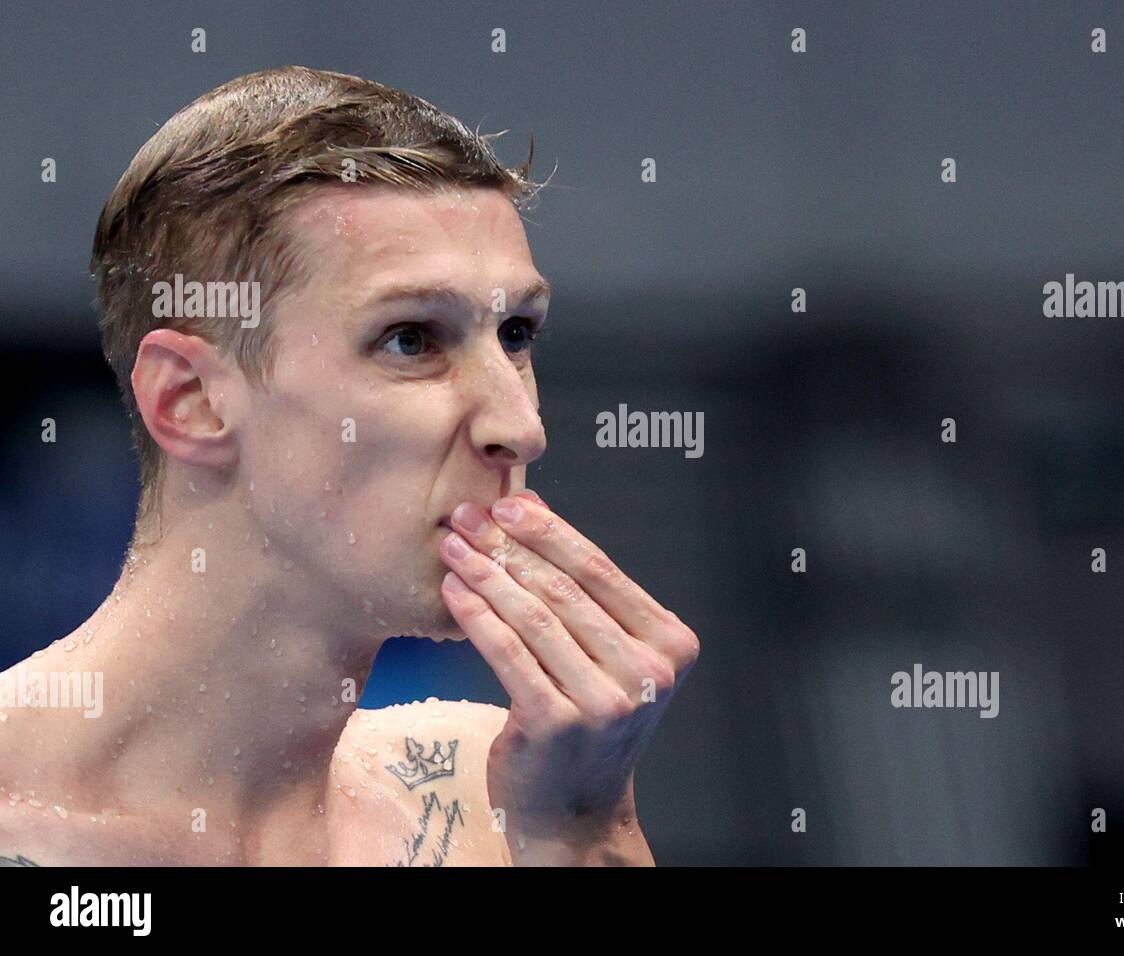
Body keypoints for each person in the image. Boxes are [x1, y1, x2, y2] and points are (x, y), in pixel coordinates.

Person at [0, 66, 699, 866]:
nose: (521, 426)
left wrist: (581, 841)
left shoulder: (504, 792)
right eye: (412, 338)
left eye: (516, 334)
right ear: (190, 400)